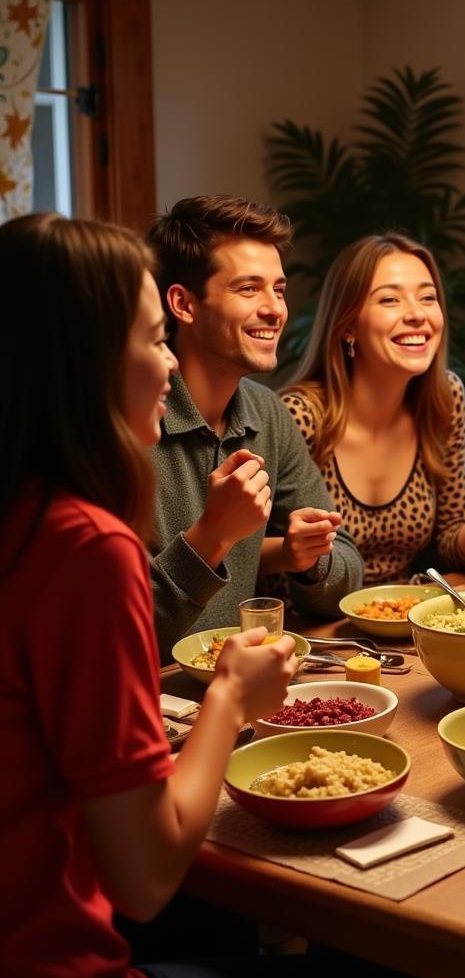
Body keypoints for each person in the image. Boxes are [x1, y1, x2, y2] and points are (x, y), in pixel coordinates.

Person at [0, 213, 298, 978]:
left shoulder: (24, 516)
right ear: (85, 363)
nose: (167, 362)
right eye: (150, 337)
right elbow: (147, 876)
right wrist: (232, 698)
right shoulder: (82, 547)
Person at [146, 196, 362, 660]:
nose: (274, 310)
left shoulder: (264, 412)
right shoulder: (129, 423)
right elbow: (119, 635)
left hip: (245, 685)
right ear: (183, 304)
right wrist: (212, 536)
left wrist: (309, 559)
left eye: (278, 290)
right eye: (248, 289)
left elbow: (345, 567)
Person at [281, 232, 465, 585]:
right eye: (390, 300)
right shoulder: (299, 416)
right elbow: (249, 555)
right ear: (348, 325)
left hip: (398, 619)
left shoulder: (445, 400)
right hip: (306, 628)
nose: (417, 314)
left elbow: (452, 544)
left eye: (428, 297)